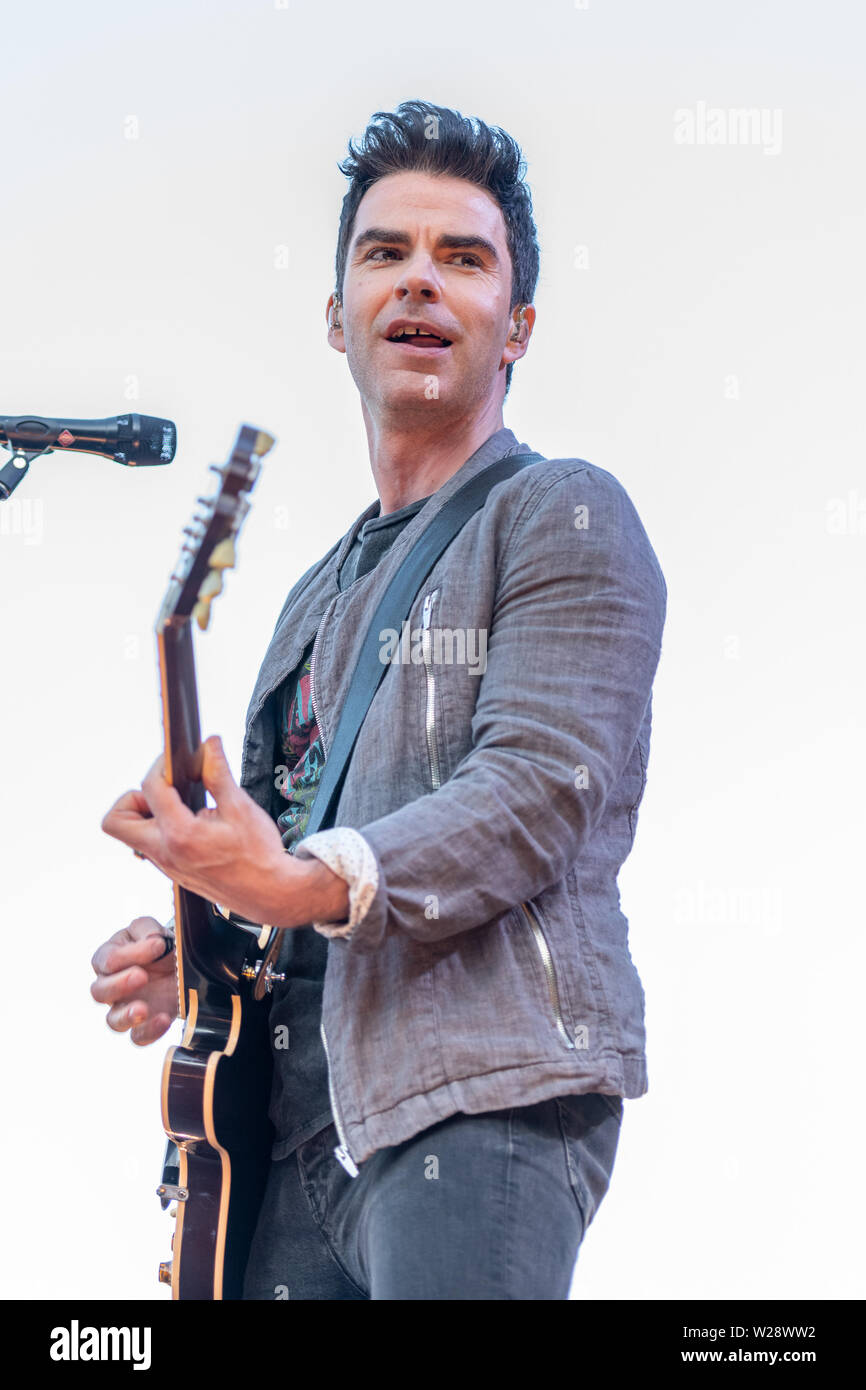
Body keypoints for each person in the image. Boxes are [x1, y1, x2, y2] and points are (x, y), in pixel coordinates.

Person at [91, 99, 667, 1301]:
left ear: (515, 328)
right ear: (335, 313)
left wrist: (293, 881)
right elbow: (277, 870)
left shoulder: (560, 513)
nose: (418, 280)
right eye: (384, 252)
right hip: (282, 1139)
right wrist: (202, 949)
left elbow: (532, 794)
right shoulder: (312, 598)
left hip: (476, 1097)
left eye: (462, 258)